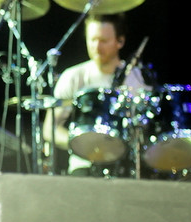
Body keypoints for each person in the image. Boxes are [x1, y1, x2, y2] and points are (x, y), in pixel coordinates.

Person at [42, 13, 150, 176]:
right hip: (83, 166)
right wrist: (81, 145)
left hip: (126, 167)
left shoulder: (136, 78)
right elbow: (50, 129)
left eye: (103, 41)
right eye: (92, 40)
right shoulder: (73, 76)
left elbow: (147, 126)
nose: (97, 47)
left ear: (120, 41)